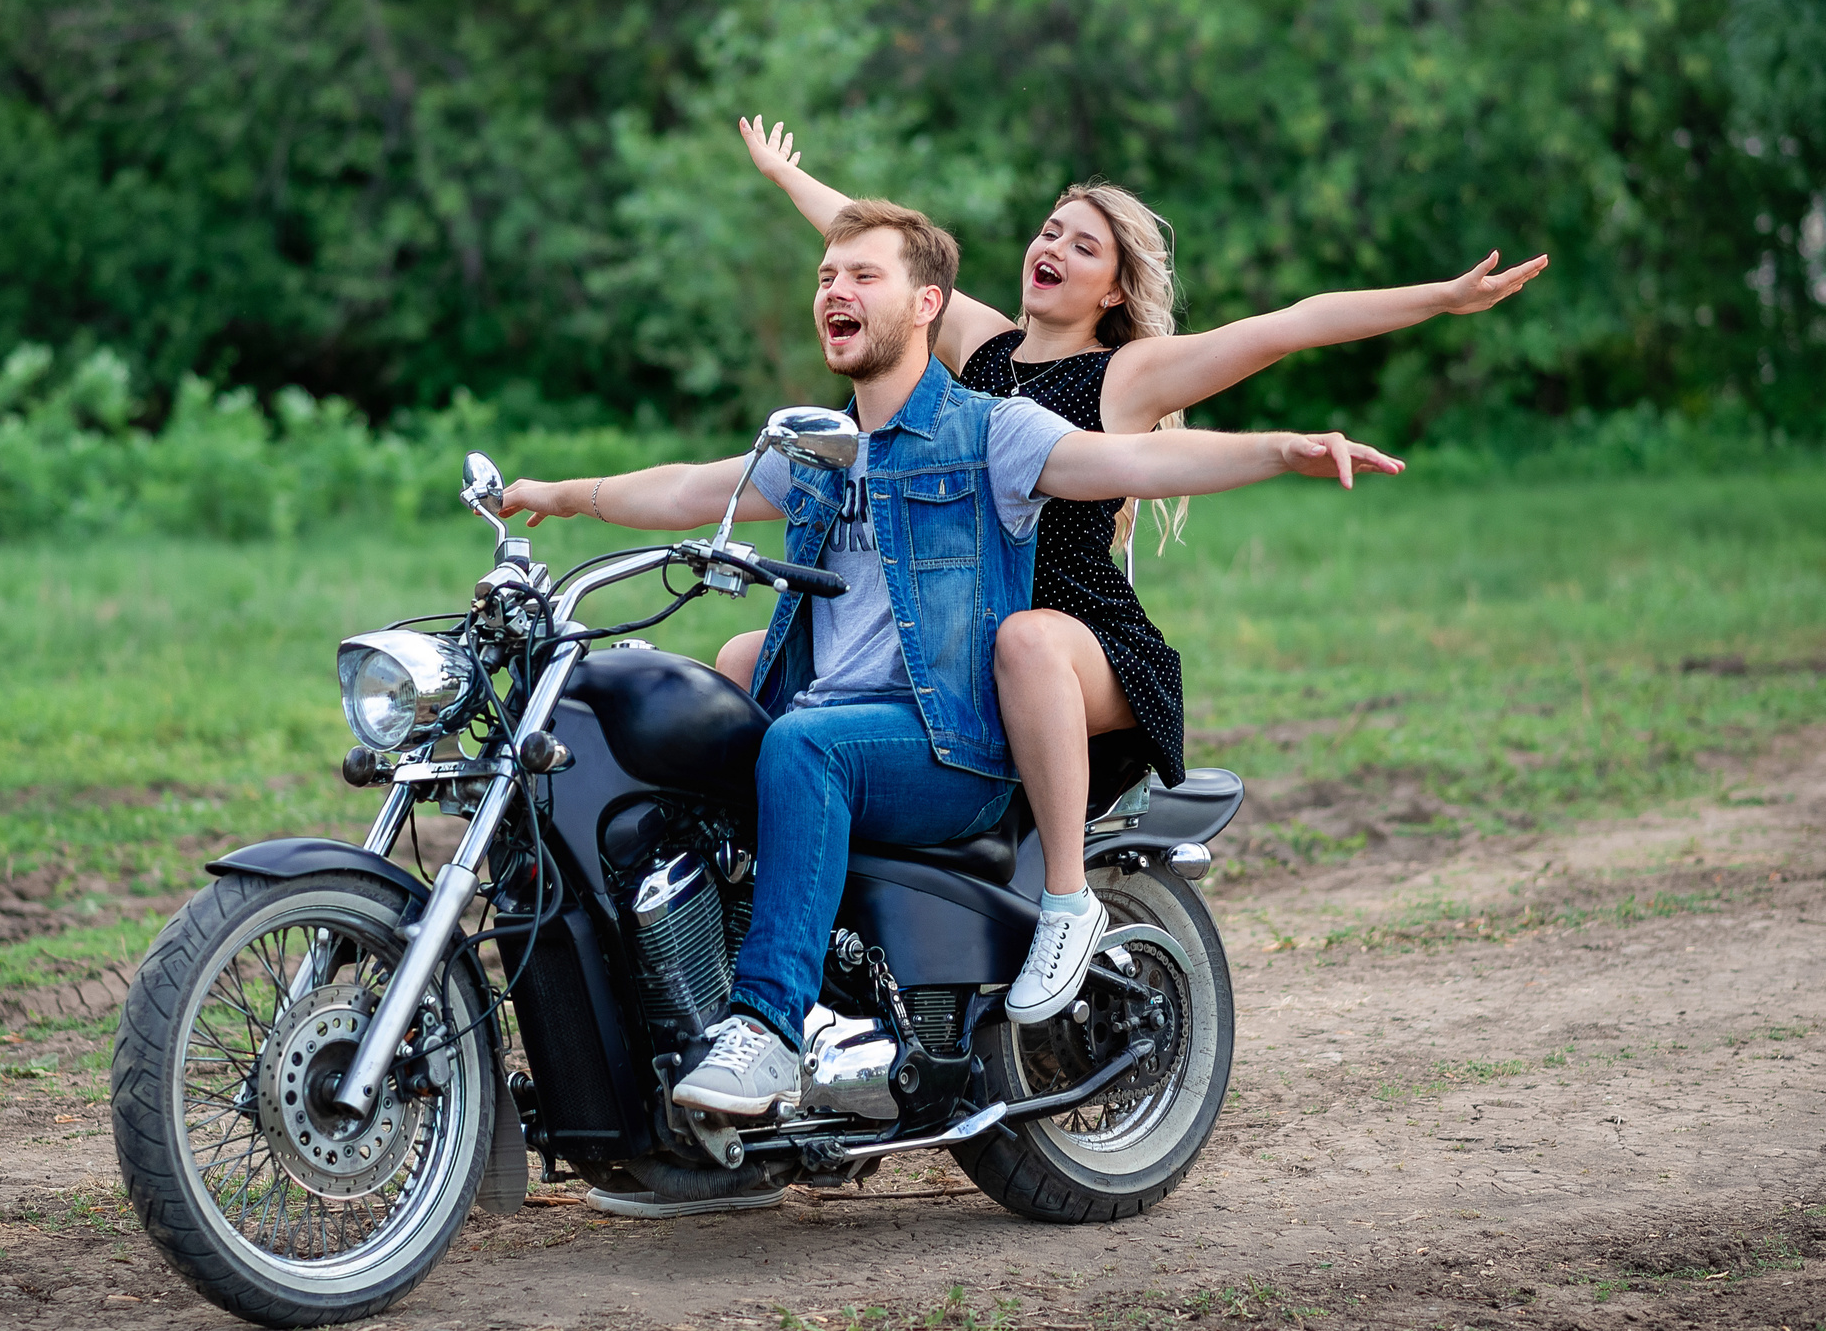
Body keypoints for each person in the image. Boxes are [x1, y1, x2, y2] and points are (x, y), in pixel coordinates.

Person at [499, 198, 1400, 1153]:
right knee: (696, 720)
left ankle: (765, 1029)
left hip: (948, 743)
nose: (835, 291)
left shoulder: (992, 430)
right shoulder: (822, 451)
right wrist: (563, 494)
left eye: (862, 277)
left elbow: (1127, 455)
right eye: (825, 278)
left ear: (928, 304)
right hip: (849, 729)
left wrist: (1279, 451)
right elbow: (689, 486)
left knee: (804, 746)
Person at [720, 117, 1547, 1025]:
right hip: (959, 643)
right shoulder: (984, 351)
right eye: (1049, 230)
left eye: (1086, 246)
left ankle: (1068, 899)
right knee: (754, 655)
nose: (1055, 248)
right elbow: (876, 257)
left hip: (1082, 643)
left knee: (1024, 638)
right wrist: (782, 176)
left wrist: (1442, 298)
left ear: (1114, 288)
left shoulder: (1125, 375)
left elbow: (1287, 326)